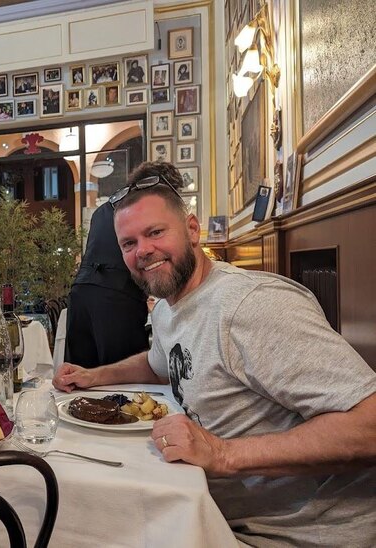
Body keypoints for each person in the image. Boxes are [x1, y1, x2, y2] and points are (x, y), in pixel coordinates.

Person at [53, 161, 376, 547]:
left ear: (192, 230)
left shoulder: (250, 306)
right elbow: (160, 367)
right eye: (129, 243)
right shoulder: (170, 305)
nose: (143, 251)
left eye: (155, 232)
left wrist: (221, 453)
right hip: (210, 512)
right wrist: (93, 377)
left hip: (295, 533)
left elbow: (368, 426)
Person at [65, 201, 148, 368]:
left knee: (80, 375)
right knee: (124, 375)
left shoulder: (103, 209)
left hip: (81, 289)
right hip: (118, 295)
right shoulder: (138, 205)